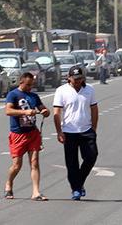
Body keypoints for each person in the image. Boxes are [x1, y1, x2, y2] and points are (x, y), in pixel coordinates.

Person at [53, 66, 99, 200]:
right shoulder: (61, 91)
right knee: (71, 162)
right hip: (69, 131)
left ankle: (79, 181)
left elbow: (94, 109)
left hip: (86, 130)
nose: (78, 81)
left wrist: (94, 128)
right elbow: (57, 113)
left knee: (91, 156)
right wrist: (59, 132)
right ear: (69, 78)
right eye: (75, 79)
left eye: (80, 78)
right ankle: (76, 189)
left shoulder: (89, 89)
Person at [4, 72, 50, 201]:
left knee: (34, 163)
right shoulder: (13, 95)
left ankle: (36, 192)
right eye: (28, 85)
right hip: (18, 134)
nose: (30, 87)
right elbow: (8, 111)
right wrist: (25, 111)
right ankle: (9, 184)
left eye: (32, 85)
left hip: (33, 133)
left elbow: (43, 109)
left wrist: (45, 111)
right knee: (17, 165)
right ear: (21, 82)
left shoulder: (34, 96)